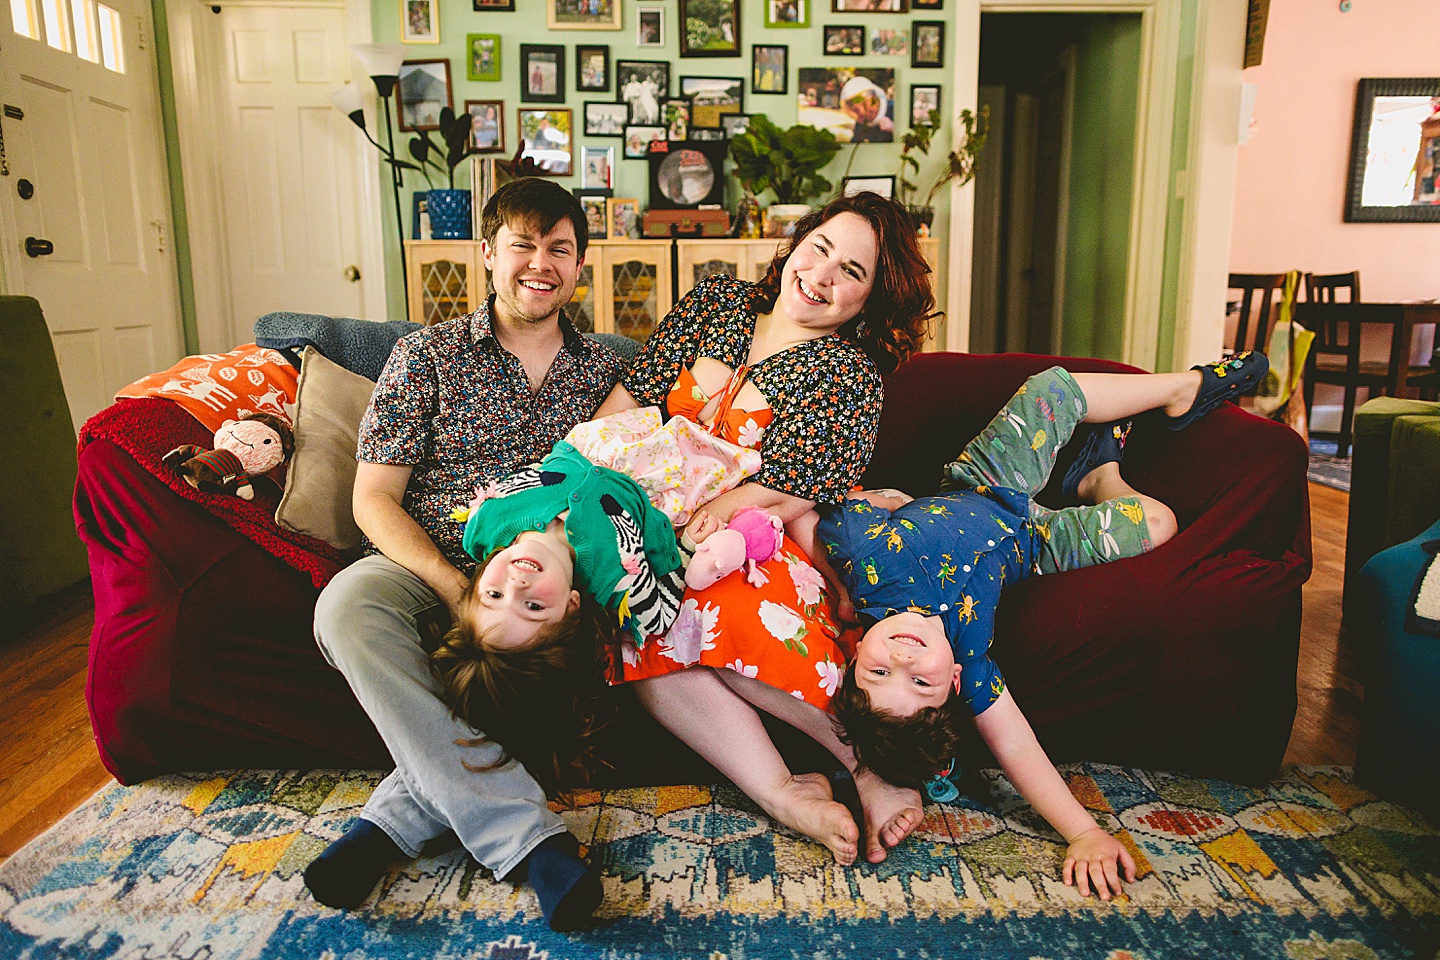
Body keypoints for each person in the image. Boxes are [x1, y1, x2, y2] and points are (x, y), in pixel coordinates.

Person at [786, 352, 1269, 899]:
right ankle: (1098, 479)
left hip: (983, 486)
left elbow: (802, 514)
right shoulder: (969, 656)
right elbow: (1016, 746)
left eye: (877, 671)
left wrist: (844, 577)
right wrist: (1083, 831)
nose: (903, 658)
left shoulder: (866, 560)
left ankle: (1182, 388)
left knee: (1051, 389)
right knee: (1158, 523)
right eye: (920, 681)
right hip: (1030, 544)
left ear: (854, 660)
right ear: (953, 684)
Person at [301, 178, 625, 931]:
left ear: (580, 268)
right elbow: (372, 498)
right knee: (345, 606)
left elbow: (634, 476)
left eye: (560, 249)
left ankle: (384, 827)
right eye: (523, 244)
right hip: (431, 559)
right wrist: (452, 585)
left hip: (552, 575)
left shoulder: (603, 373)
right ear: (487, 254)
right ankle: (528, 838)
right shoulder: (426, 356)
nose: (540, 264)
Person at [593, 192, 939, 866]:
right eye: (820, 248)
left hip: (746, 536)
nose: (823, 275)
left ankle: (867, 762)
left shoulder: (847, 375)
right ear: (796, 240)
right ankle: (781, 791)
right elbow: (630, 404)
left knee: (702, 603)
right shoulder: (716, 303)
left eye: (852, 272)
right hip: (645, 514)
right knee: (636, 617)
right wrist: (579, 469)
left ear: (868, 299)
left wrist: (704, 518)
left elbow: (797, 486)